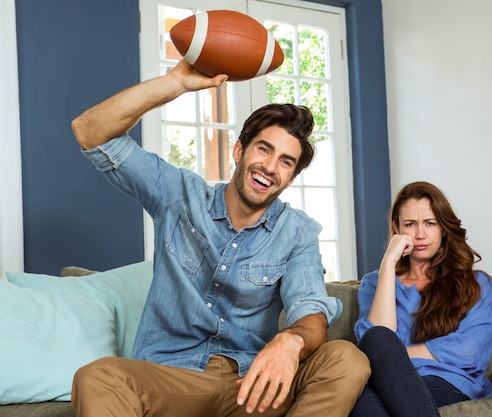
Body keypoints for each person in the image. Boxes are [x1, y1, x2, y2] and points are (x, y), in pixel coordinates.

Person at [69, 59, 370, 417]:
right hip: (175, 379)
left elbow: (310, 312)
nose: (271, 167)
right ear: (239, 151)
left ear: (290, 178)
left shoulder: (297, 232)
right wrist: (173, 83)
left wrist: (290, 341)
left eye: (286, 162)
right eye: (264, 149)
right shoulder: (178, 195)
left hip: (254, 386)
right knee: (97, 376)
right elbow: (90, 132)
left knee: (346, 359)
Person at [350, 181, 492, 417]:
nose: (419, 234)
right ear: (397, 228)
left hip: (447, 381)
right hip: (385, 381)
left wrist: (393, 357)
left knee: (369, 392)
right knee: (359, 394)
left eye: (430, 223)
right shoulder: (374, 283)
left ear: (443, 228)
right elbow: (372, 342)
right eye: (410, 224)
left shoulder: (476, 284)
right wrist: (387, 264)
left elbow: (470, 351)